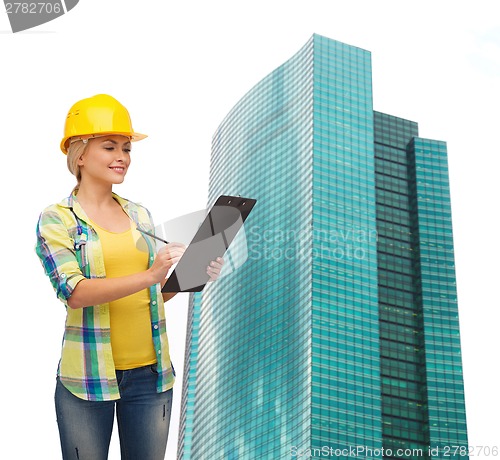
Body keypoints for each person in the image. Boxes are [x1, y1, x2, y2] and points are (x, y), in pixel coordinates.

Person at [35, 94, 223, 459]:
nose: (122, 156)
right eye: (109, 147)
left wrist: (190, 275)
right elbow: (75, 292)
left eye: (126, 147)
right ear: (80, 153)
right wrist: (152, 274)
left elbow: (151, 296)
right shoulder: (57, 219)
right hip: (87, 382)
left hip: (151, 378)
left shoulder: (139, 215)